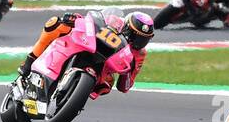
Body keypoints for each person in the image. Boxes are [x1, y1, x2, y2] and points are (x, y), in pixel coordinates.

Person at [15, 10, 155, 94]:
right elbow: (92, 20)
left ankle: (73, 95)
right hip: (89, 44)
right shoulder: (114, 20)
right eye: (135, 36)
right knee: (55, 24)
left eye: (143, 39)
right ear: (126, 27)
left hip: (104, 68)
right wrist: (75, 18)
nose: (138, 42)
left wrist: (128, 73)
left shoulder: (139, 54)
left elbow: (124, 87)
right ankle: (29, 62)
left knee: (106, 85)